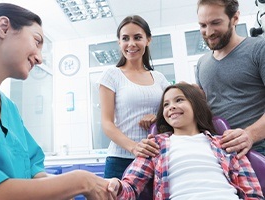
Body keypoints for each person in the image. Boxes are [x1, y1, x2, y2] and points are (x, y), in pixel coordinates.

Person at [0, 3, 113, 200]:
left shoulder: (10, 109)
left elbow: (35, 175)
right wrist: (81, 181)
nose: (40, 59)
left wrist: (92, 187)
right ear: (4, 27)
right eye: (37, 41)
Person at [107, 83, 263, 200]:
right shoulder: (155, 145)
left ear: (196, 106)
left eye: (179, 100)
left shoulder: (225, 142)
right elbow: (130, 188)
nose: (171, 107)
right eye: (166, 104)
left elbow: (252, 192)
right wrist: (117, 186)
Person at [97, 15, 169, 180]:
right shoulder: (111, 75)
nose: (131, 44)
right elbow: (107, 123)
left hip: (155, 158)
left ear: (148, 40)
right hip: (120, 161)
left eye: (137, 37)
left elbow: (172, 114)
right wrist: (134, 147)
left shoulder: (159, 78)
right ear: (119, 42)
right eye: (125, 38)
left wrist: (158, 117)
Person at [195, 0, 265, 158]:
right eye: (203, 25)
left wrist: (250, 135)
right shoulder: (202, 64)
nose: (209, 32)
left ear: (235, 18)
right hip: (220, 155)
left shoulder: (259, 49)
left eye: (215, 23)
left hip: (258, 151)